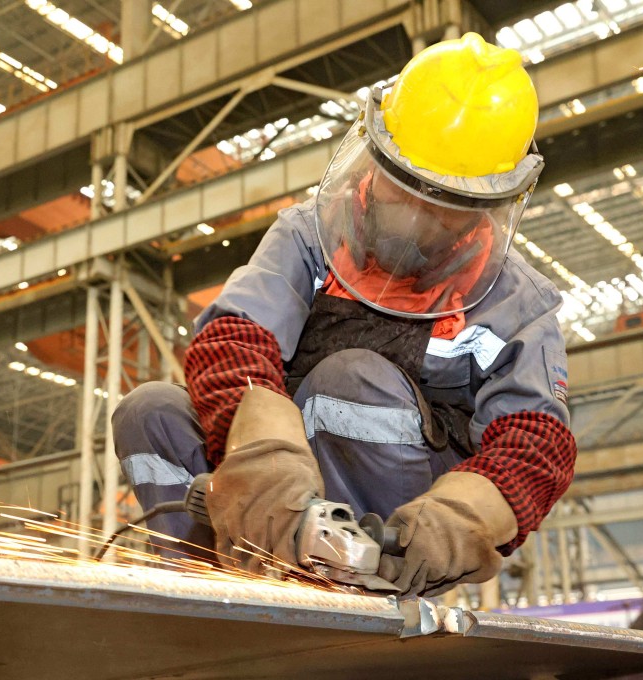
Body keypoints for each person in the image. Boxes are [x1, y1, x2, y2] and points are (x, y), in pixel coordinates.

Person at [113, 32, 577, 596]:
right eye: (402, 192)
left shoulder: (519, 303)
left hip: (401, 525)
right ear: (374, 156)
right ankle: (211, 582)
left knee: (349, 380)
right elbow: (234, 341)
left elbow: (533, 446)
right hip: (278, 487)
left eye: (441, 211)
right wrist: (264, 464)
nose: (414, 224)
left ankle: (356, 589)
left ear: (490, 204)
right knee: (149, 410)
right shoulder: (308, 234)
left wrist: (456, 522)